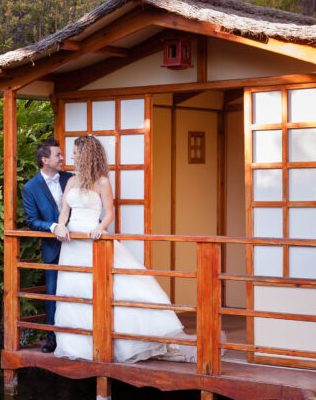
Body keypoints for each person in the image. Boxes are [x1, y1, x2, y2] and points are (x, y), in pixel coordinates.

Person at [53, 135, 191, 362]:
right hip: (72, 244)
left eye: (76, 152)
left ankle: (113, 343)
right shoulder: (71, 181)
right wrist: (60, 226)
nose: (72, 156)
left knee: (102, 289)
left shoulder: (102, 182)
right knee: (74, 290)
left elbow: (109, 213)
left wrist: (100, 227)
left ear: (86, 154)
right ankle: (77, 347)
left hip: (93, 239)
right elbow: (64, 212)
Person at [22, 139, 72, 353]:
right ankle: (52, 338)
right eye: (58, 155)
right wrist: (53, 226)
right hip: (53, 246)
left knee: (79, 290)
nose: (62, 158)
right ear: (45, 159)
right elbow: (32, 220)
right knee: (52, 293)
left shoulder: (71, 179)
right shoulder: (30, 187)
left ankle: (80, 336)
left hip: (78, 245)